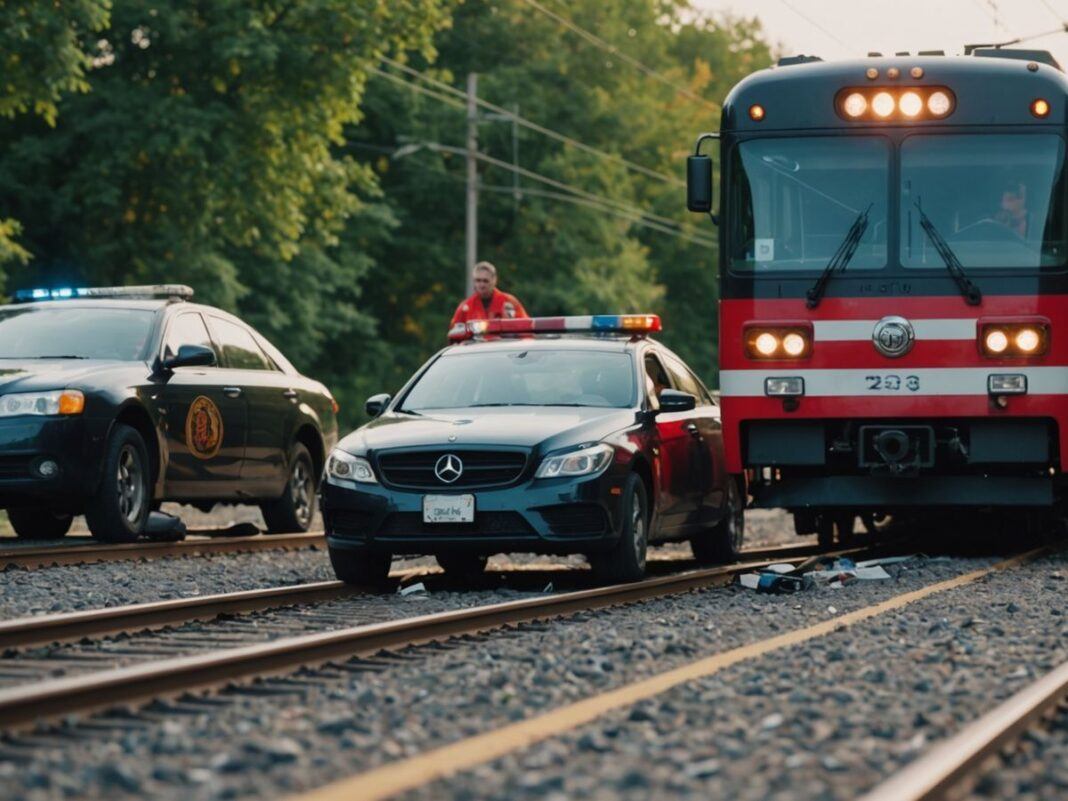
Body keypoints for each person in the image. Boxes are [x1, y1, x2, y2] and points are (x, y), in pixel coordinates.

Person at [449, 261, 528, 330]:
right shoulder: (465, 308)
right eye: (478, 280)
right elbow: (454, 335)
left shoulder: (509, 302)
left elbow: (526, 328)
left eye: (485, 281)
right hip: (476, 346)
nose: (481, 285)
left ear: (494, 280)